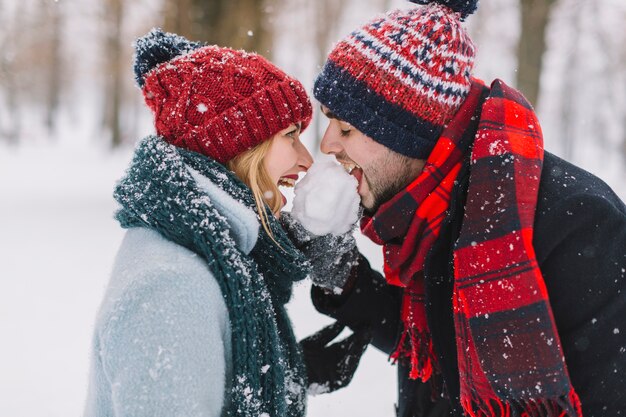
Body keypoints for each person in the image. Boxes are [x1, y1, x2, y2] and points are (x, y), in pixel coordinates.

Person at [282, 1, 626, 416]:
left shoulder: (579, 225)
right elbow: (438, 345)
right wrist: (346, 279)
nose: (327, 145)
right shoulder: (430, 210)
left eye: (347, 129)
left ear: (407, 134)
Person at [83, 28, 315, 417]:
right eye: (290, 135)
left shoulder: (205, 255)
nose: (306, 159)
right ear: (239, 145)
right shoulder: (169, 288)